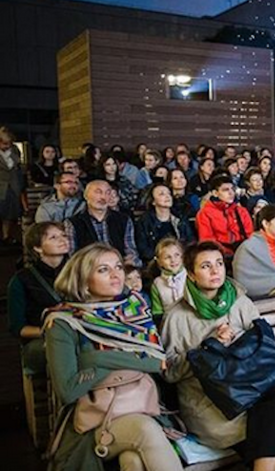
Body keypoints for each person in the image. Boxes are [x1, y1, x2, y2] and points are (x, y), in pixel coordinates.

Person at [162, 242, 275, 471]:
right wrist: (210, 348)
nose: (215, 271)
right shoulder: (177, 317)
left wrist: (240, 341)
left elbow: (265, 346)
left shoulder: (240, 301)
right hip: (212, 404)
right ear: (191, 274)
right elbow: (170, 372)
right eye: (206, 266)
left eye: (219, 263)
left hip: (253, 387)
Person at [46, 243, 182, 471]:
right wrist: (124, 360)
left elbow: (157, 363)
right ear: (82, 279)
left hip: (141, 404)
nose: (116, 274)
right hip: (95, 421)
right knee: (144, 430)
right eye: (102, 270)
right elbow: (68, 390)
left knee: (133, 461)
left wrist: (95, 360)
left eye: (118, 267)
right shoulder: (62, 322)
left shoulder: (133, 310)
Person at [7, 222, 67, 374]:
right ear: (37, 248)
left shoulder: (78, 273)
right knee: (59, 350)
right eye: (53, 237)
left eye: (63, 235)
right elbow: (18, 328)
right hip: (42, 338)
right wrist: (49, 332)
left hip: (79, 333)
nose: (62, 240)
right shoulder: (22, 280)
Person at [66, 180, 142, 267]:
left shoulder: (123, 219)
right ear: (86, 196)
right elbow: (72, 255)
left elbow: (130, 249)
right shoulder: (73, 222)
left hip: (118, 266)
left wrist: (127, 262)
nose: (103, 197)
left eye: (108, 193)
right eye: (98, 192)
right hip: (88, 269)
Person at [135, 184, 195, 264]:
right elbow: (143, 249)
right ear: (153, 201)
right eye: (162, 194)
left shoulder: (180, 218)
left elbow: (190, 241)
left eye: (169, 194)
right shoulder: (144, 221)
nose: (167, 196)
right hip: (156, 263)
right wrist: (161, 259)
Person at [195, 175, 253, 257]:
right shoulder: (205, 213)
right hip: (220, 255)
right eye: (225, 190)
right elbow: (207, 241)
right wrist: (226, 252)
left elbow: (250, 236)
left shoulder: (241, 211)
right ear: (215, 193)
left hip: (243, 252)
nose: (231, 193)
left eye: (232, 189)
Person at [149, 238, 187, 324]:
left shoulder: (191, 275)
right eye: (167, 257)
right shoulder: (157, 283)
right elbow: (157, 310)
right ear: (159, 262)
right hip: (171, 323)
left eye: (176, 255)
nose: (173, 260)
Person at [0, 126, 25, 244]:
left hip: (13, 185)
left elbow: (17, 162)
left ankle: (7, 236)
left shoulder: (14, 149)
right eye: (5, 143)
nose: (7, 145)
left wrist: (9, 153)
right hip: (1, 185)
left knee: (10, 213)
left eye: (9, 143)